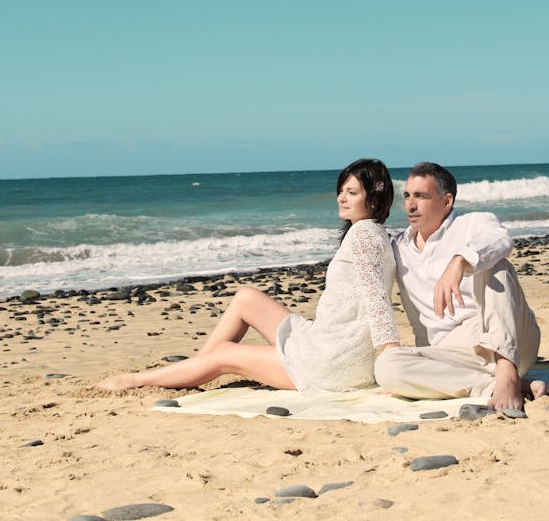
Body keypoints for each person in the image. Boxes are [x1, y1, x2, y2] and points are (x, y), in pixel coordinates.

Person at [95, 158, 400, 393]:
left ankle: (134, 381)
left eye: (352, 192)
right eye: (341, 191)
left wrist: (391, 359)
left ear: (373, 199)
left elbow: (377, 301)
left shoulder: (363, 237)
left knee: (225, 353)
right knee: (246, 298)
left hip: (330, 362)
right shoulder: (374, 234)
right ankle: (194, 369)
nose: (341, 198)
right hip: (327, 342)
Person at [373, 162, 543, 410]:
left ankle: (507, 372)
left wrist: (460, 261)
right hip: (452, 352)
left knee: (497, 267)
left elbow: (501, 240)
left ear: (446, 201)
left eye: (421, 196)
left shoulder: (474, 223)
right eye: (407, 196)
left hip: (506, 337)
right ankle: (494, 386)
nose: (411, 204)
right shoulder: (398, 247)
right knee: (387, 367)